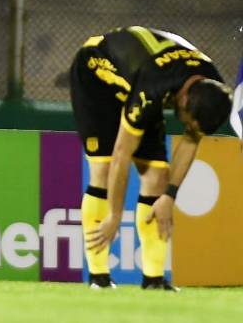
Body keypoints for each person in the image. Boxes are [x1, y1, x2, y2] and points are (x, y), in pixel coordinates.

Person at [72, 27, 232, 290]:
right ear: (183, 100)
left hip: (138, 79)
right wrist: (114, 215)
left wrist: (170, 196)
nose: (188, 128)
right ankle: (98, 277)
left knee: (157, 178)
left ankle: (154, 280)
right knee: (102, 169)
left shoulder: (211, 85)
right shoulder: (154, 87)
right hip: (97, 74)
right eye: (188, 122)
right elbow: (121, 155)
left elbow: (192, 140)